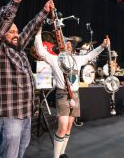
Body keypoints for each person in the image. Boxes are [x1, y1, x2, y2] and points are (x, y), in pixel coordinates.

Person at [0, 0, 54, 158]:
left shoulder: (18, 49)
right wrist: (15, 2)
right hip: (10, 116)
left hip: (26, 114)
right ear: (2, 35)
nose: (16, 34)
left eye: (16, 31)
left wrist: (44, 12)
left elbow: (29, 30)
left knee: (19, 153)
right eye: (11, 32)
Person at [34, 27, 110, 158]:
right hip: (62, 94)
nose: (68, 44)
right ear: (61, 45)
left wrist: (102, 46)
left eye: (70, 43)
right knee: (62, 127)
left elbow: (90, 55)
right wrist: (38, 33)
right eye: (65, 42)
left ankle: (62, 153)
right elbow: (40, 50)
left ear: (73, 47)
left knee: (69, 126)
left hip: (75, 95)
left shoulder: (77, 59)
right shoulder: (54, 59)